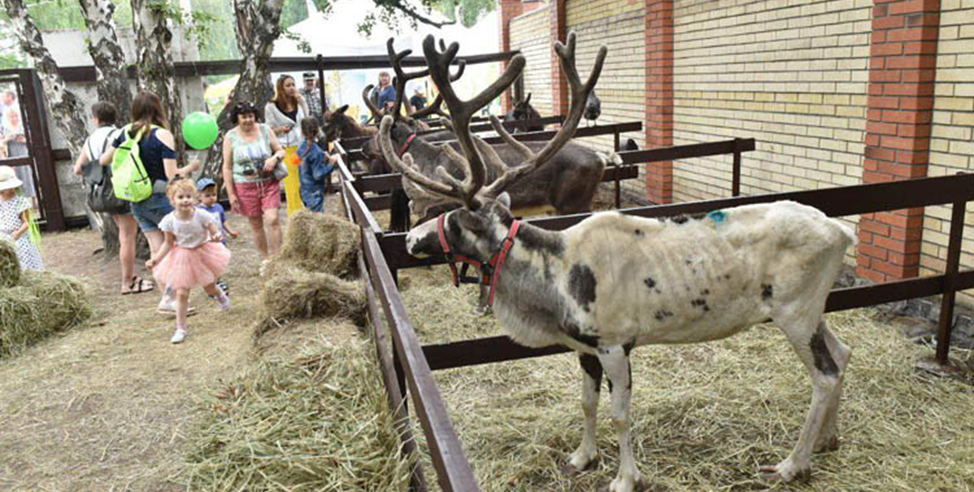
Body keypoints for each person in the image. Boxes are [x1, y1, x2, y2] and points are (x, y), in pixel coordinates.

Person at [100, 90, 201, 315]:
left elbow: (104, 159)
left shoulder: (124, 132)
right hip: (159, 198)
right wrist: (190, 168)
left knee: (158, 251)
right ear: (158, 108)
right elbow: (171, 174)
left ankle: (168, 300)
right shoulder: (161, 134)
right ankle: (174, 298)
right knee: (174, 250)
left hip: (136, 199)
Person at [73, 102, 153, 295]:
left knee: (123, 235)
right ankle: (128, 282)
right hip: (121, 190)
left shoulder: (90, 139)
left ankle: (130, 278)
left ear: (96, 118)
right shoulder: (119, 134)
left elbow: (78, 169)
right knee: (127, 237)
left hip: (102, 195)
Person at [146, 177, 231, 344]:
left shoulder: (201, 215)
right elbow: (168, 243)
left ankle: (220, 296)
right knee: (182, 293)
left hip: (203, 252)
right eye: (180, 197)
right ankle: (181, 328)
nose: (185, 201)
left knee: (209, 287)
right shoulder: (169, 221)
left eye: (188, 197)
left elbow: (214, 231)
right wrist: (156, 259)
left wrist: (216, 235)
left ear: (195, 198)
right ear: (172, 200)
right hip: (182, 256)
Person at [222, 100, 286, 270]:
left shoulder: (265, 129)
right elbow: (227, 167)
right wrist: (231, 194)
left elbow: (281, 150)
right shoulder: (230, 136)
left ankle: (277, 258)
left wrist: (274, 158)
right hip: (245, 186)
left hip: (268, 182)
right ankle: (266, 260)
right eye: (244, 116)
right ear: (237, 118)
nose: (248, 120)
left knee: (272, 219)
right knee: (256, 225)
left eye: (251, 116)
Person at [264, 74, 309, 217]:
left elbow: (307, 118)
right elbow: (268, 130)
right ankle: (295, 215)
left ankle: (303, 212)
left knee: (303, 181)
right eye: (288, 85)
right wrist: (280, 130)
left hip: (301, 147)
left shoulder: (298, 101)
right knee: (292, 184)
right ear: (281, 88)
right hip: (286, 149)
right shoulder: (271, 106)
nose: (291, 88)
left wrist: (301, 100)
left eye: (293, 85)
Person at [196, 177, 236, 295]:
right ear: (199, 196)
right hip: (207, 244)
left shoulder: (218, 207)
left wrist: (230, 231)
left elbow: (223, 221)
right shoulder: (198, 211)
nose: (211, 198)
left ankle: (217, 281)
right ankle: (211, 285)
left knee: (219, 264)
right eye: (207, 195)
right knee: (209, 265)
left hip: (220, 242)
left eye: (213, 194)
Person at [0, 166, 42, 271]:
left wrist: (17, 233)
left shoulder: (20, 201)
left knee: (23, 264)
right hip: (4, 237)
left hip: (19, 239)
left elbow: (26, 223)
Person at [297, 117, 338, 213]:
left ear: (302, 132)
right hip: (315, 191)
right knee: (317, 218)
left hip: (304, 189)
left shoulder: (301, 147)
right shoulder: (317, 152)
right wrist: (331, 164)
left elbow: (295, 162)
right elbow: (318, 175)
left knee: (310, 215)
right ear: (317, 131)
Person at [1, 109, 36, 200]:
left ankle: (32, 198)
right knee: (16, 174)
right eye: (12, 117)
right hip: (12, 153)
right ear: (8, 118)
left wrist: (23, 140)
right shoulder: (5, 128)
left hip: (23, 152)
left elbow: (32, 141)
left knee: (27, 174)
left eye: (15, 116)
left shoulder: (22, 127)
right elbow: (2, 144)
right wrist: (7, 139)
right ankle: (19, 198)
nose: (14, 118)